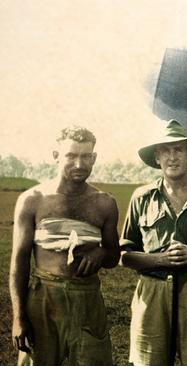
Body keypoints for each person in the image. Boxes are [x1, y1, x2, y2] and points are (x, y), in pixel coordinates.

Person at [10, 125, 120, 365]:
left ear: (94, 158)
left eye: (85, 156)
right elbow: (19, 262)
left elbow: (113, 257)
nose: (79, 164)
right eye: (71, 155)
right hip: (45, 297)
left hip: (88, 298)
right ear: (56, 156)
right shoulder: (32, 200)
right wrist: (19, 317)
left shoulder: (105, 203)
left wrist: (101, 252)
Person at [120, 119, 187, 365]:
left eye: (178, 149)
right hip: (151, 295)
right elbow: (124, 255)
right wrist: (159, 259)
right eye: (165, 150)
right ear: (157, 157)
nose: (172, 157)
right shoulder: (142, 198)